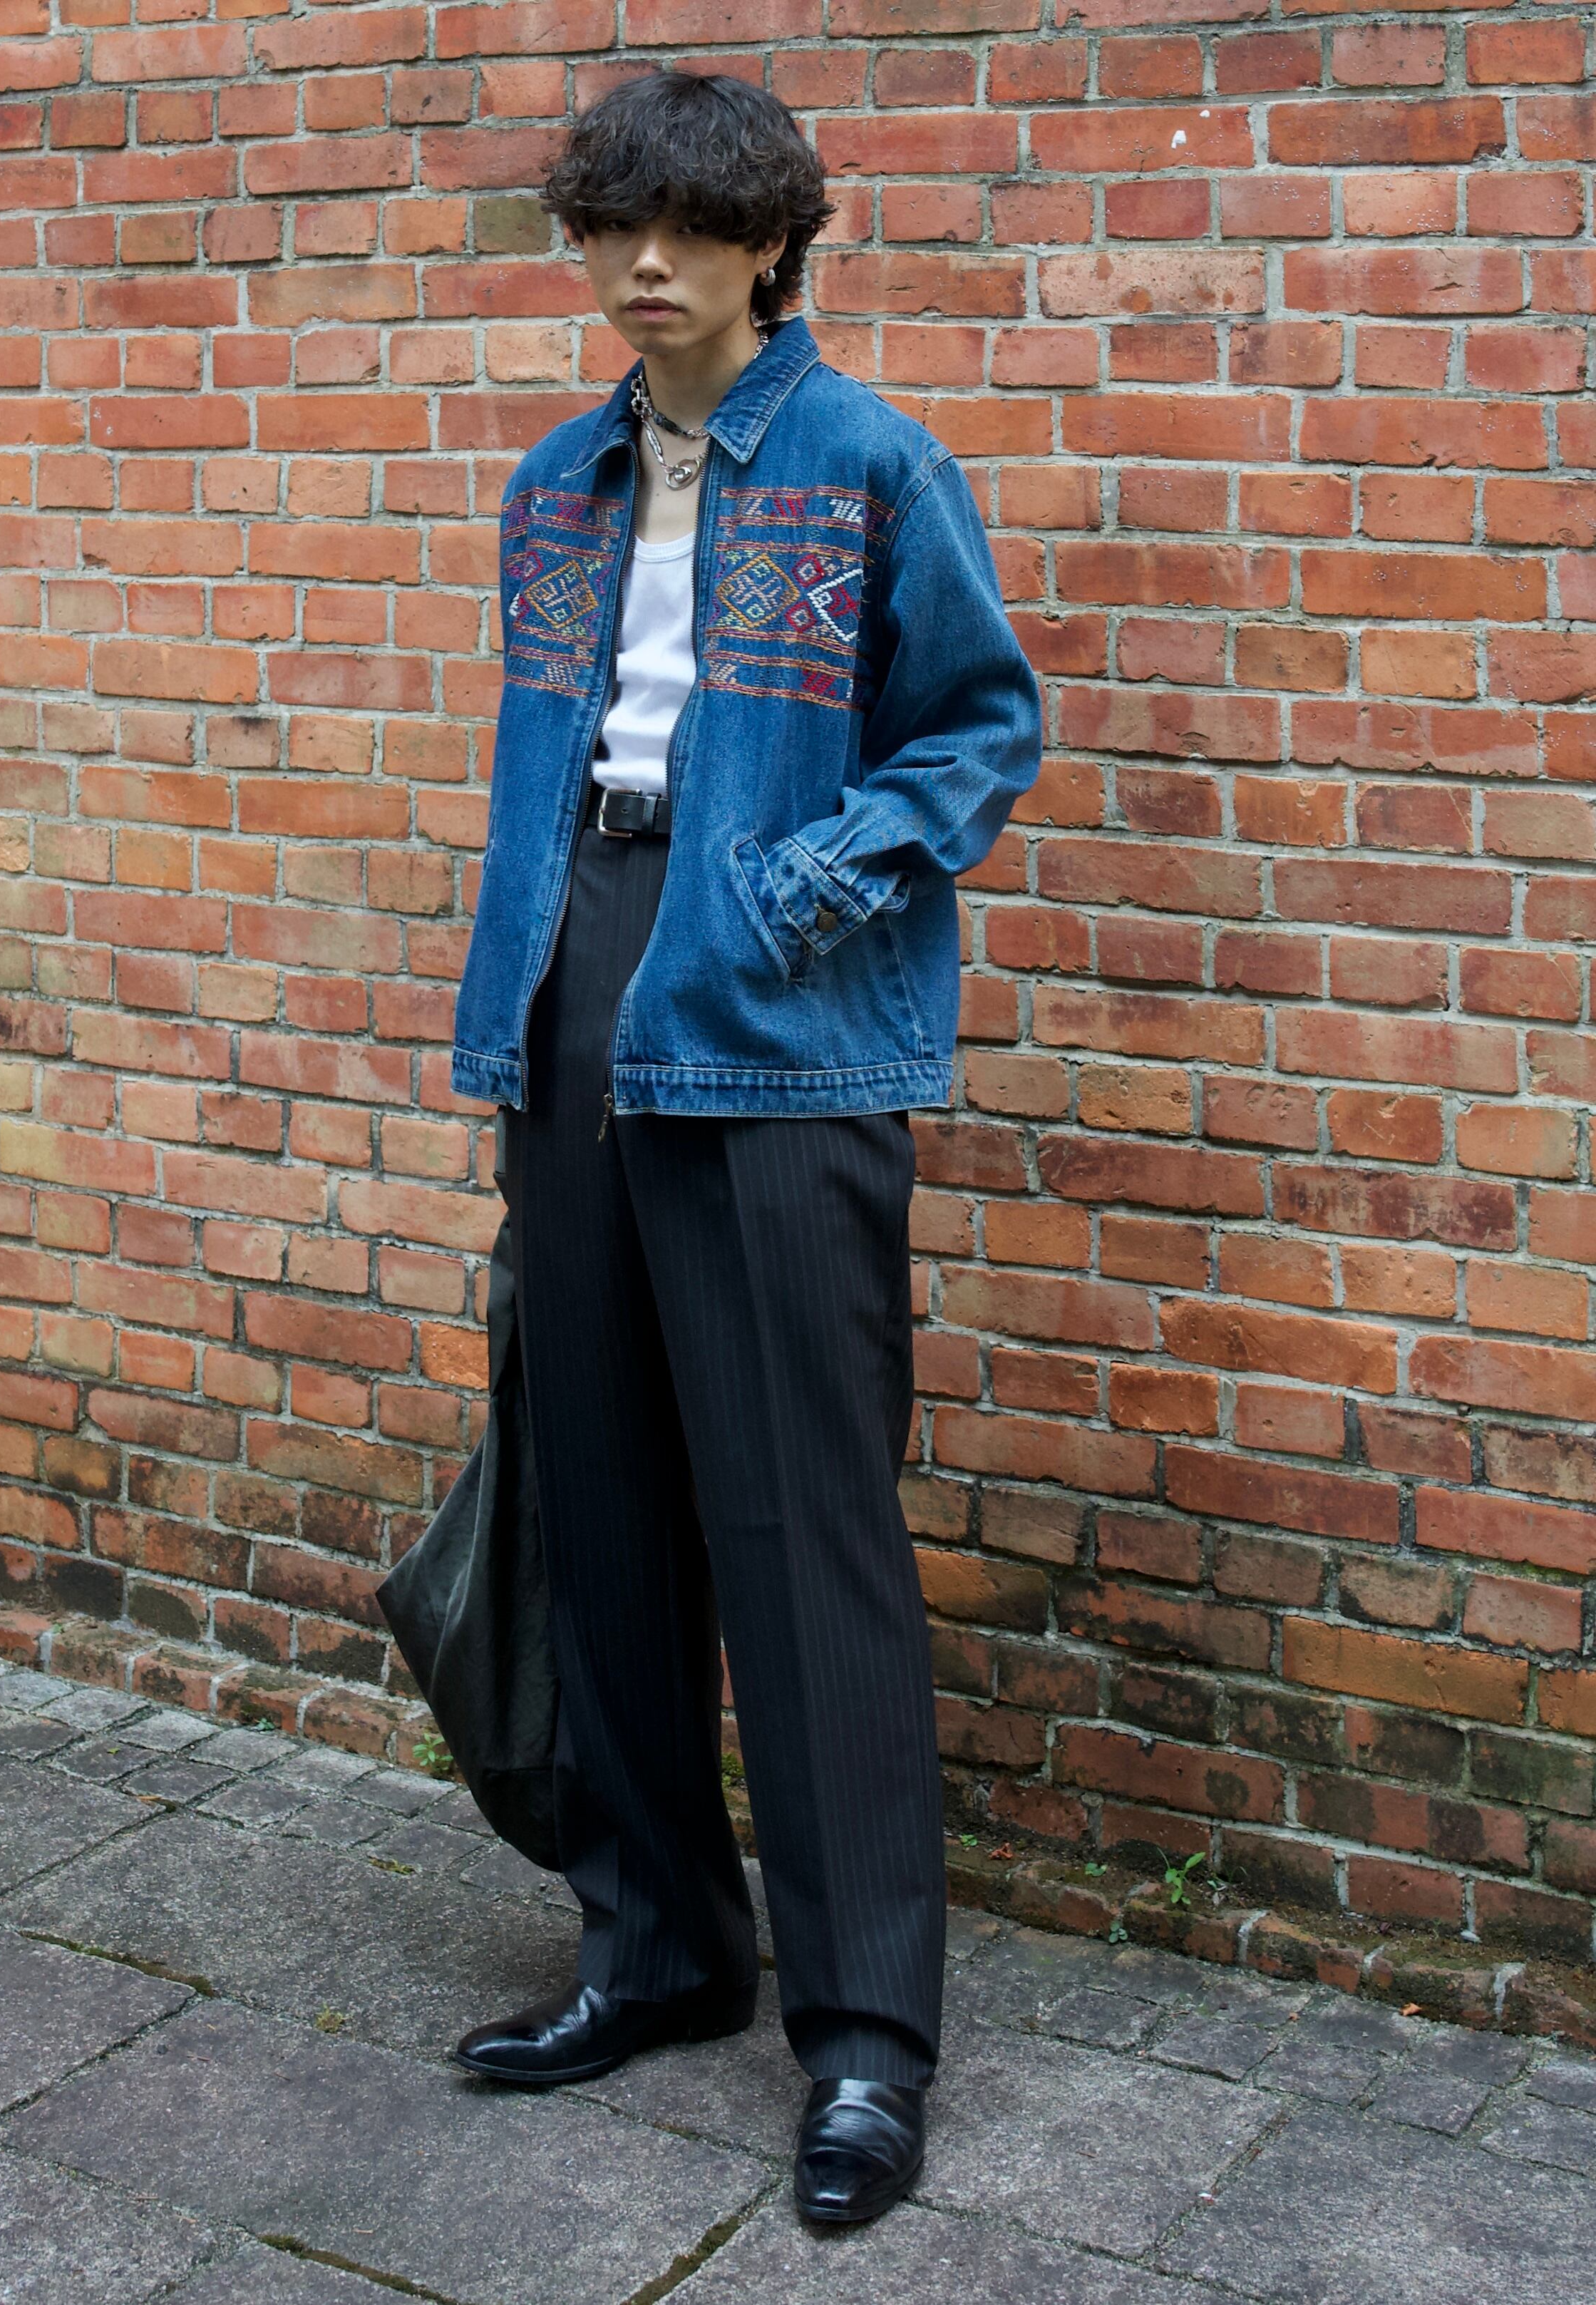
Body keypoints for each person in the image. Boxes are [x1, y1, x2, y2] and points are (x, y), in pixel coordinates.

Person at [447, 68, 1041, 2227]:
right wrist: (527, 996)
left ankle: (867, 2036)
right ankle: (658, 1947)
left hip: (779, 1009)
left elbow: (980, 725)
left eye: (692, 229)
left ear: (772, 244)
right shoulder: (556, 484)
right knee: (601, 1492)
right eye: (613, 227)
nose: (646, 265)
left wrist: (810, 883)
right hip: (579, 975)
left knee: (801, 1525)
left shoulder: (873, 462)